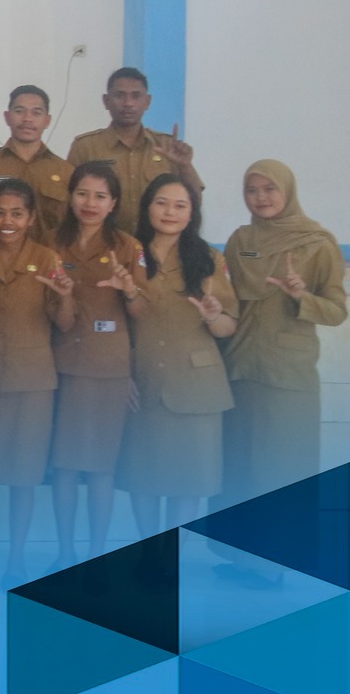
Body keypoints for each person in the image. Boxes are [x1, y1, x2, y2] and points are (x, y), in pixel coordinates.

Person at [216, 160, 346, 587]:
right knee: (241, 465)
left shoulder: (317, 243)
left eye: (269, 189)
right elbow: (228, 298)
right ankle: (242, 558)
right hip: (241, 366)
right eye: (252, 190)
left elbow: (337, 310)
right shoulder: (240, 240)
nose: (261, 198)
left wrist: (301, 296)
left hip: (288, 375)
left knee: (282, 470)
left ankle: (275, 566)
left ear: (287, 191)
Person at [0, 179, 72, 587]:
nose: (8, 221)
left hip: (32, 381)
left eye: (17, 214)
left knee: (24, 477)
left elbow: (64, 323)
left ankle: (16, 561)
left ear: (31, 218)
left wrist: (66, 296)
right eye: (0, 212)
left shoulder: (47, 258)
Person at [113, 176, 237, 535]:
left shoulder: (209, 258)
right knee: (143, 477)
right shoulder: (129, 253)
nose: (170, 212)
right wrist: (122, 373)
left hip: (196, 385)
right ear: (147, 207)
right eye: (162, 203)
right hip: (144, 380)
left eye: (180, 205)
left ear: (192, 213)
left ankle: (171, 556)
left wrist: (213, 316)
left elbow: (228, 325)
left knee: (189, 481)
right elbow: (117, 320)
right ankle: (150, 554)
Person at [46, 161, 140, 569]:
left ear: (113, 203)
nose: (90, 203)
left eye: (100, 196)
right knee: (65, 467)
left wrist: (130, 290)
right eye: (83, 193)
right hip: (63, 366)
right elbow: (50, 312)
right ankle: (66, 553)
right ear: (70, 197)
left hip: (108, 369)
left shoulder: (128, 248)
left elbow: (142, 312)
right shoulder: (52, 243)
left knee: (102, 469)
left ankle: (96, 554)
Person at [66, 69, 203, 235]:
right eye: (120, 95)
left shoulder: (167, 146)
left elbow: (194, 202)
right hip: (103, 242)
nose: (128, 103)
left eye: (136, 96)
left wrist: (185, 166)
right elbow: (68, 201)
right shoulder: (86, 147)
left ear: (147, 101)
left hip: (157, 242)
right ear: (106, 101)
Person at [0, 86, 71, 242]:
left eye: (36, 113)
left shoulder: (65, 171)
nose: (27, 118)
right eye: (20, 111)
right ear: (7, 117)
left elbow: (73, 225)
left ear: (47, 120)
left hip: (48, 255)